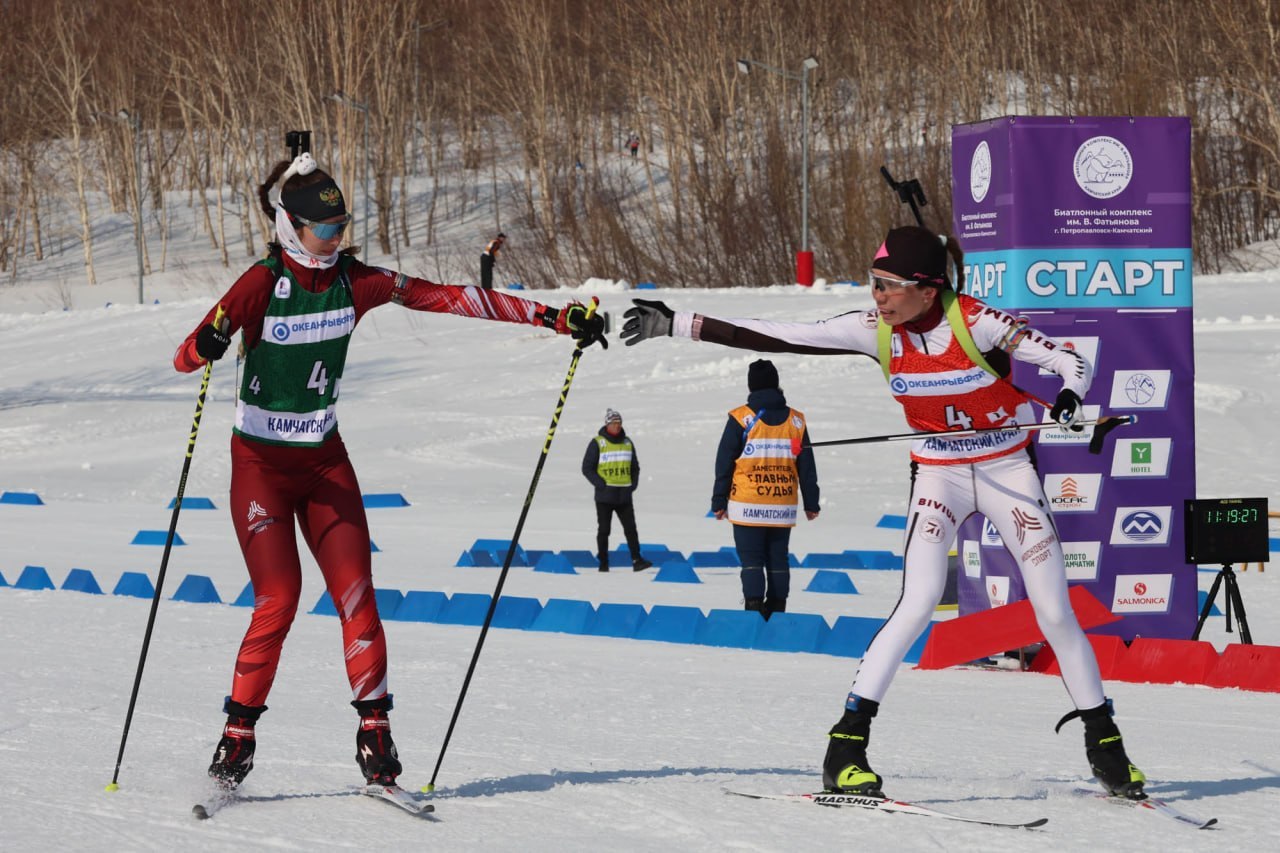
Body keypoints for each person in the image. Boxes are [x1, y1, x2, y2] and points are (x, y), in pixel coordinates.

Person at [620, 224, 1146, 800]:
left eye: (890, 286)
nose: (878, 297)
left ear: (928, 288)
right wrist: (674, 322)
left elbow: (1070, 364)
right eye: (874, 283)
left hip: (1007, 472)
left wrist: (1070, 399)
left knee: (1052, 609)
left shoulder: (978, 321)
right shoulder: (874, 331)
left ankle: (1107, 747)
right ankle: (845, 748)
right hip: (939, 475)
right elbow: (777, 334)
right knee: (916, 603)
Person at [173, 152, 605, 792]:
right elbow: (185, 357)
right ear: (291, 226)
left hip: (324, 463)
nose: (335, 239)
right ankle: (237, 739)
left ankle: (375, 735)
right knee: (279, 599)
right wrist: (208, 344)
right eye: (324, 230)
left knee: (357, 595)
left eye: (342, 227)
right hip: (260, 466)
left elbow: (453, 297)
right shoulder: (261, 283)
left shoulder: (357, 282)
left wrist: (553, 316)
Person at [712, 359, 819, 619]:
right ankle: (778, 612)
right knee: (778, 560)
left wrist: (719, 500)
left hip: (748, 504)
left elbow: (725, 460)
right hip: (781, 505)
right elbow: (806, 464)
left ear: (751, 386)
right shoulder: (795, 421)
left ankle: (754, 611)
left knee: (752, 561)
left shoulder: (742, 418)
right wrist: (811, 502)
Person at [581, 409, 652, 572]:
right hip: (605, 496)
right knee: (604, 530)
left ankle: (637, 560)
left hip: (624, 495)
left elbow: (635, 467)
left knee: (631, 529)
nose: (617, 426)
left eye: (619, 423)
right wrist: (601, 484)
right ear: (607, 424)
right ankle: (604, 563)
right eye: (614, 423)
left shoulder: (627, 442)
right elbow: (587, 468)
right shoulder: (598, 443)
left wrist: (633, 484)